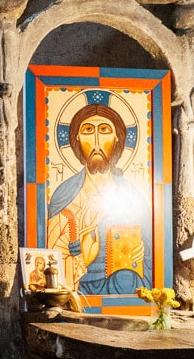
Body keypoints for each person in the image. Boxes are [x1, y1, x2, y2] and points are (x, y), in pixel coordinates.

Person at [46, 103, 151, 294]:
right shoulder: (65, 196)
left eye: (104, 130)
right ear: (76, 138)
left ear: (117, 137)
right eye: (87, 130)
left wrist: (142, 253)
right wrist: (82, 258)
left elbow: (152, 262)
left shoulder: (133, 195)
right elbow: (49, 262)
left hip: (123, 290)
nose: (96, 141)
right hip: (78, 292)